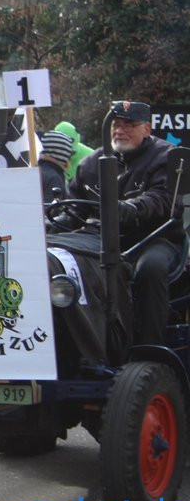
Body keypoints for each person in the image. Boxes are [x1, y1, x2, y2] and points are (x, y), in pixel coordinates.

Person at [66, 101, 182, 346]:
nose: (120, 131)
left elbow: (161, 200)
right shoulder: (90, 163)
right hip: (99, 238)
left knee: (150, 268)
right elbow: (73, 209)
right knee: (65, 261)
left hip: (154, 237)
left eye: (129, 125)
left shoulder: (168, 157)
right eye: (116, 125)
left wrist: (126, 209)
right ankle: (78, 341)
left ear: (147, 129)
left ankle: (149, 347)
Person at [38, 131, 74, 203]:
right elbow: (52, 211)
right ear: (62, 154)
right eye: (70, 155)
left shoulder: (35, 171)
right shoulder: (54, 179)